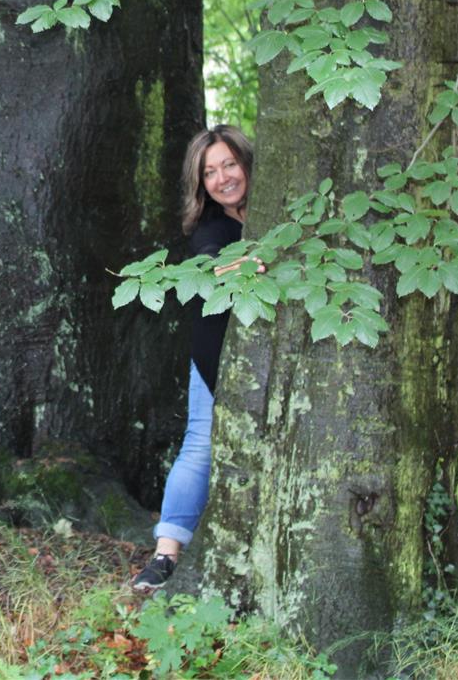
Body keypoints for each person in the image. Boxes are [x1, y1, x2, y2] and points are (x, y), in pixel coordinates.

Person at [130, 124, 259, 594]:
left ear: (246, 161)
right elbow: (210, 260)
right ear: (200, 183)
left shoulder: (276, 212)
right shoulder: (211, 226)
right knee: (200, 444)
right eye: (210, 172)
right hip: (215, 351)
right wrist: (239, 264)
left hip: (275, 358)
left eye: (229, 163)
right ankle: (165, 555)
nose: (223, 178)